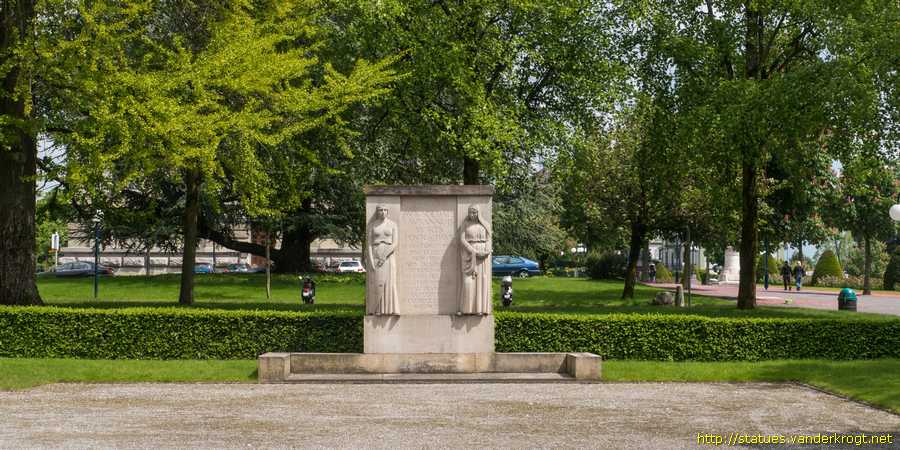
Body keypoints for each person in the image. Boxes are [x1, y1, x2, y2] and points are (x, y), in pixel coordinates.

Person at [459, 205, 492, 315]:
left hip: (482, 257)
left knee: (481, 280)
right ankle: (467, 309)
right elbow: (462, 239)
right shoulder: (465, 224)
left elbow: (489, 239)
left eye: (474, 212)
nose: (472, 215)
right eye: (470, 212)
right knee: (468, 282)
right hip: (470, 255)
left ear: (478, 213)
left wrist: (486, 251)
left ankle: (480, 309)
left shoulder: (485, 225)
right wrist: (472, 250)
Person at [366, 205, 399, 315]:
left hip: (388, 255)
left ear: (388, 212)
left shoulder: (393, 224)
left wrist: (384, 256)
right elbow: (369, 244)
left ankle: (389, 309)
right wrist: (371, 260)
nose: (383, 212)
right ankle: (377, 309)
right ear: (377, 212)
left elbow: (395, 243)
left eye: (385, 210)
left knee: (389, 282)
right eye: (381, 210)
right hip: (376, 254)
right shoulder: (372, 225)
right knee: (377, 282)